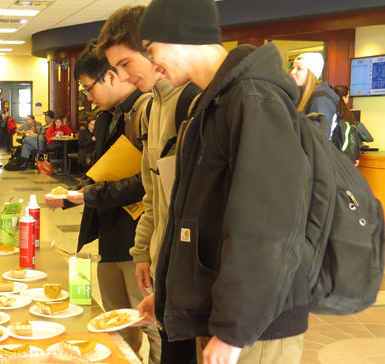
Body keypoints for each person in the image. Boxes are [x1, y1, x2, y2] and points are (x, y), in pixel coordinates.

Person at [138, 1, 312, 363]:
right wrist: (172, 292)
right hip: (230, 315)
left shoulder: (253, 98)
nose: (154, 65)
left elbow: (267, 224)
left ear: (180, 37)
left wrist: (233, 330)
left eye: (152, 50)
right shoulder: (215, 101)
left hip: (255, 326)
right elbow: (198, 213)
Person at [96, 5, 202, 364]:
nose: (122, 77)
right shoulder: (153, 108)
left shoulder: (193, 103)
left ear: (152, 48)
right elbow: (154, 193)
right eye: (115, 69)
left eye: (126, 64)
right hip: (166, 269)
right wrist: (143, 252)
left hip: (192, 277)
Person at [46, 42, 151, 359]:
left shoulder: (147, 111)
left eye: (89, 89)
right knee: (115, 325)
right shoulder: (108, 117)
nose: (88, 97)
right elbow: (102, 170)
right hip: (110, 233)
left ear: (111, 76)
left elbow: (146, 183)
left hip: (139, 238)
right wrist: (73, 194)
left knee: (148, 324)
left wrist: (89, 194)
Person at [289, 52, 340, 138]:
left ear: (311, 73)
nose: (292, 72)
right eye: (293, 68)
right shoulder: (300, 96)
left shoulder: (321, 100)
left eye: (299, 68)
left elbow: (319, 139)